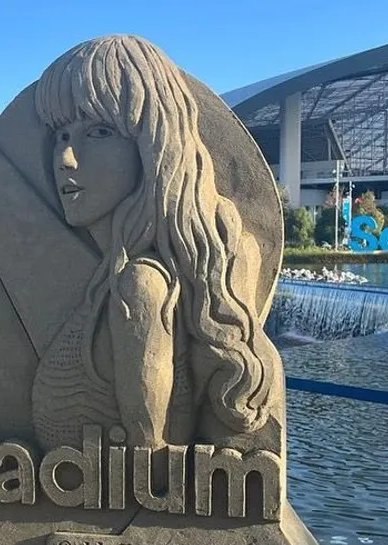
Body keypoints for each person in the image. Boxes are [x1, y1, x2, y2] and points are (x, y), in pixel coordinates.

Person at [30, 35, 281, 454]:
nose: (66, 159)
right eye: (61, 135)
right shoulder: (123, 278)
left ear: (151, 144)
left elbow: (146, 466)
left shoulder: (140, 287)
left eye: (98, 131)